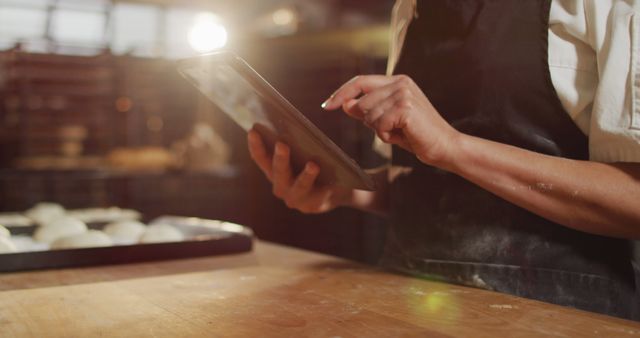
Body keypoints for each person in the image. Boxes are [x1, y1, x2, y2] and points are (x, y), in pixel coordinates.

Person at [247, 0, 640, 320]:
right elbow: (429, 186)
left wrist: (453, 147)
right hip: (410, 305)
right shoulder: (410, 10)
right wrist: (345, 190)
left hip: (558, 315)